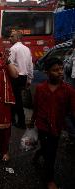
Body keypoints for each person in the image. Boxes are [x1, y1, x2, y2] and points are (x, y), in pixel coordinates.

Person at [31, 57, 75, 189]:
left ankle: (39, 153)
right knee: (50, 153)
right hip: (42, 126)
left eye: (61, 69)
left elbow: (72, 111)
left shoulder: (69, 90)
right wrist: (32, 121)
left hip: (56, 127)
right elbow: (36, 107)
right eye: (55, 70)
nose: (60, 72)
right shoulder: (40, 88)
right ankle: (49, 179)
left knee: (50, 150)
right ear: (47, 72)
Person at [9, 30, 33, 129]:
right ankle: (17, 120)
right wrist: (29, 79)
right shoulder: (27, 49)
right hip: (24, 77)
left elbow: (9, 64)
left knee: (15, 99)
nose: (9, 38)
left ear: (18, 38)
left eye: (12, 36)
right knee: (18, 99)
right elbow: (30, 65)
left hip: (15, 77)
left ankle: (19, 121)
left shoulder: (13, 49)